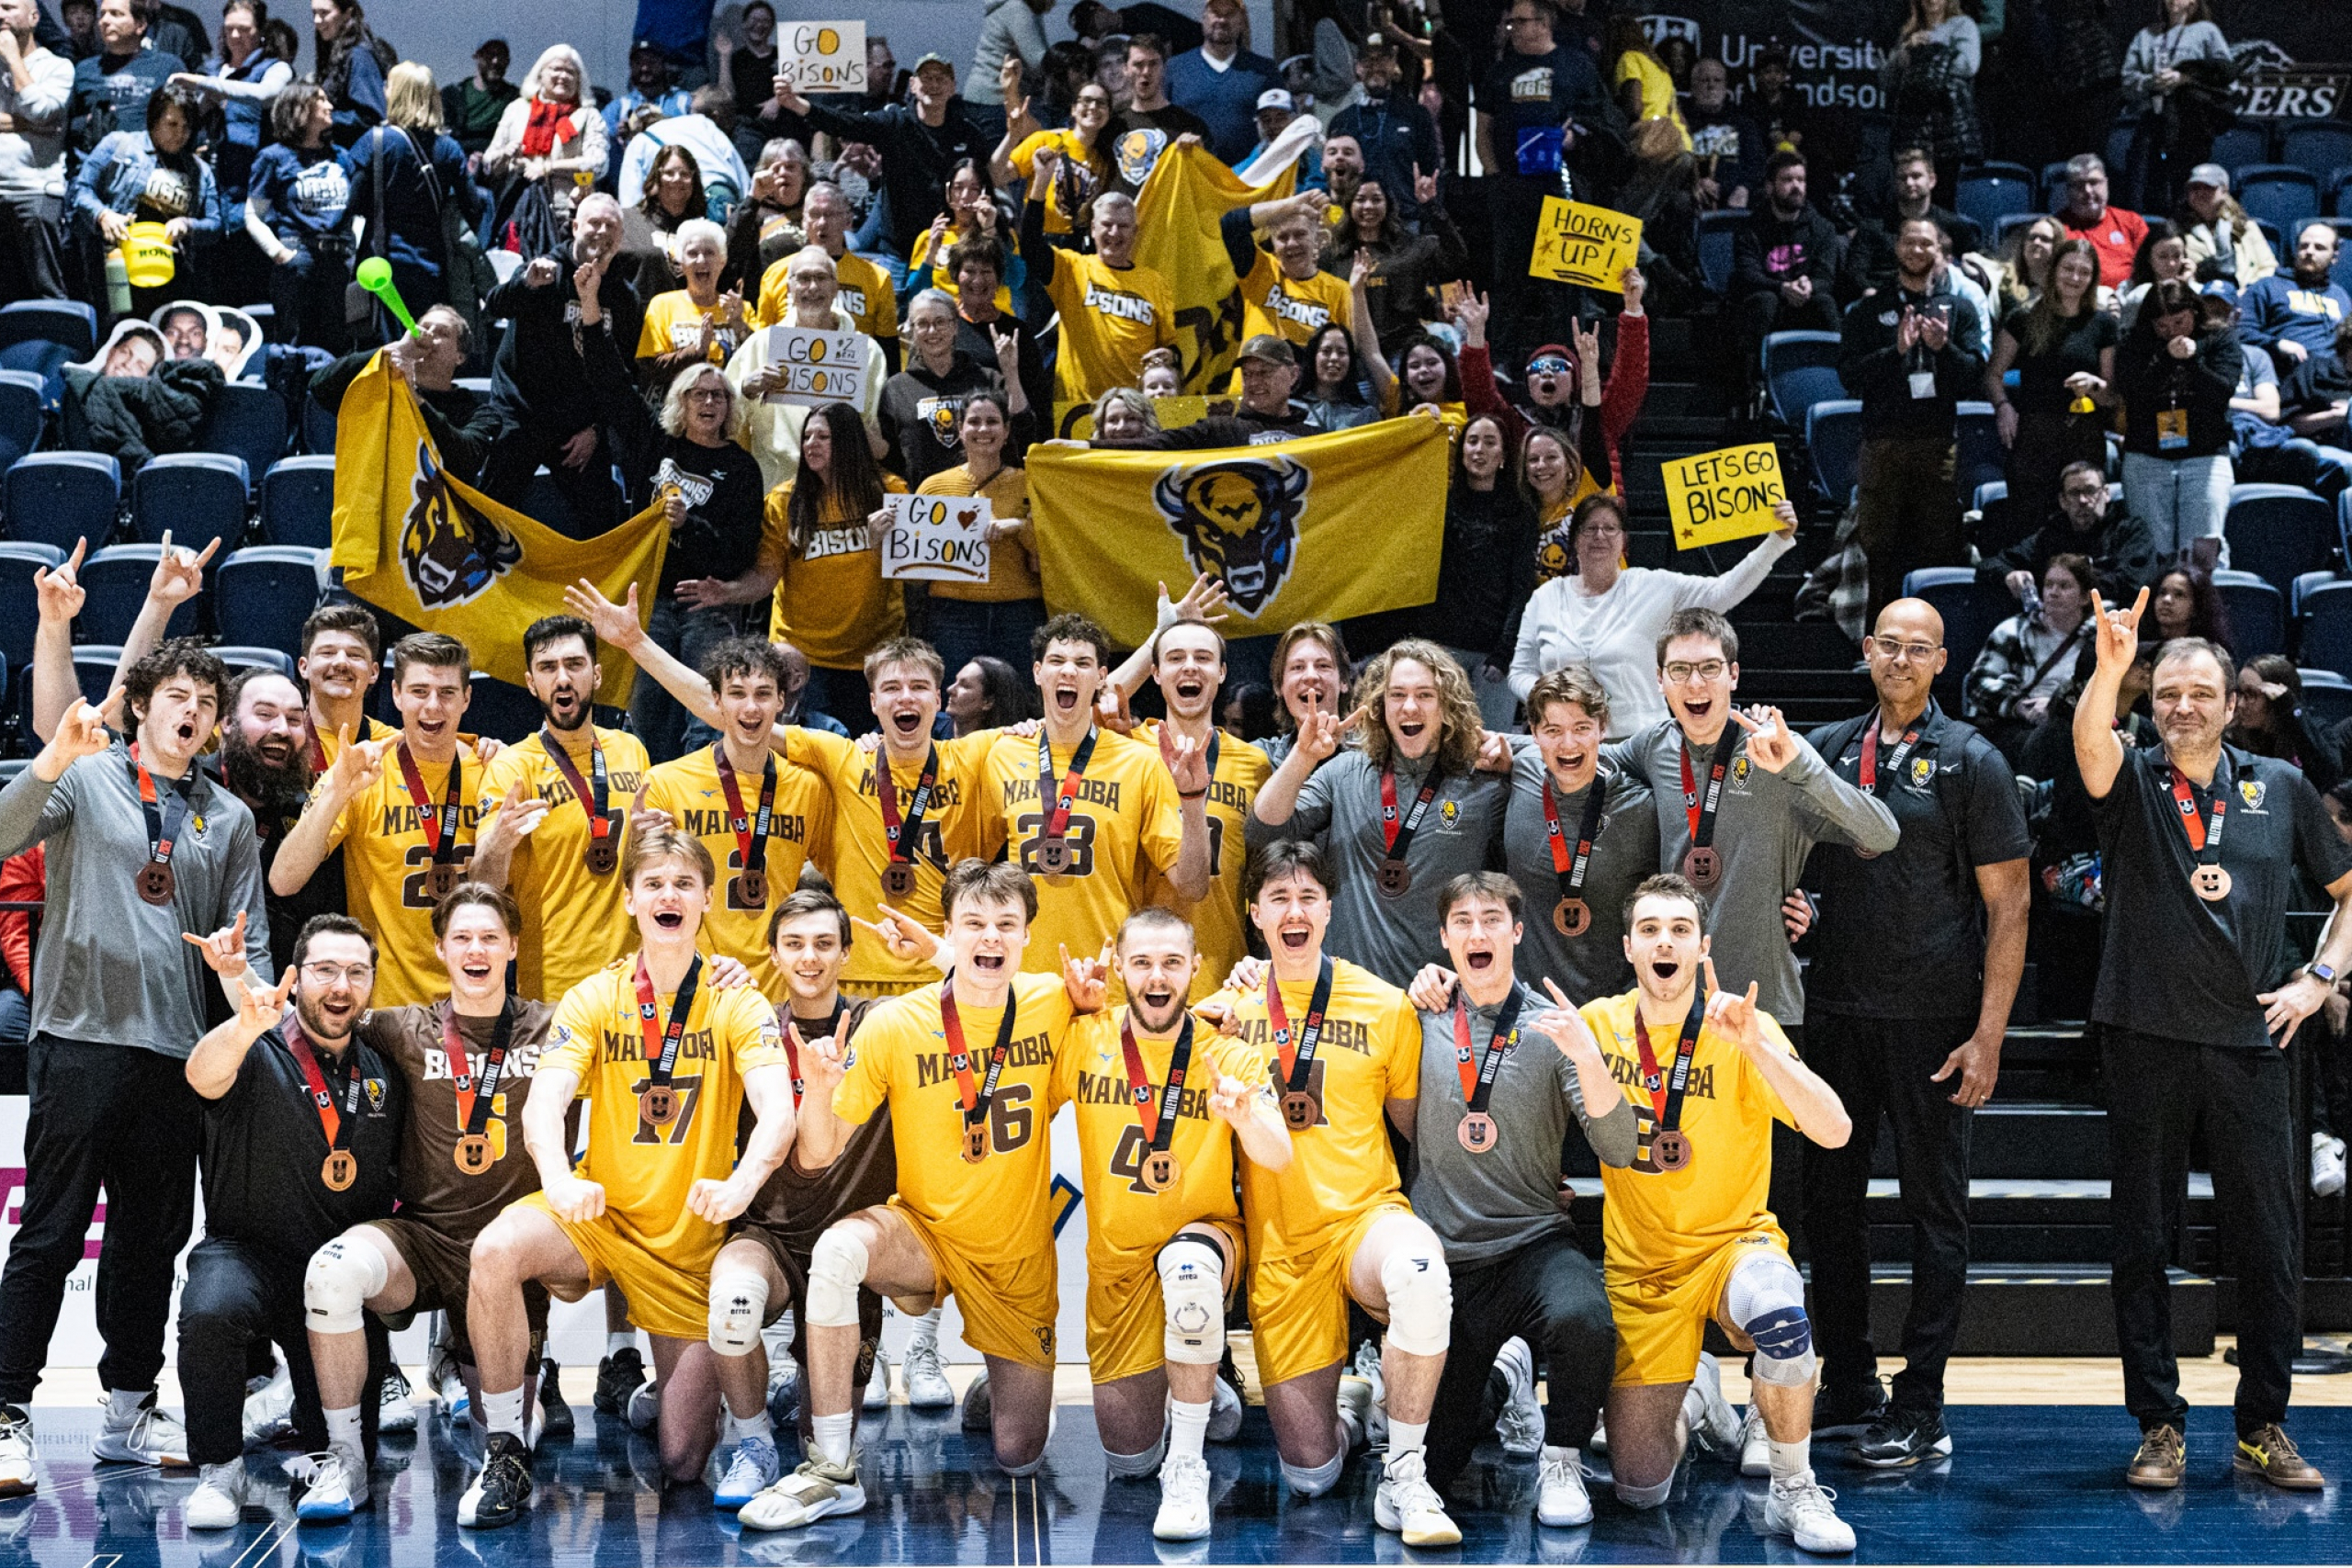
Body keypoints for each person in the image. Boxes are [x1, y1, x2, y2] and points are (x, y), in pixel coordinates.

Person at [2073, 590, 2351, 1492]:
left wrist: (2318, 981)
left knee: (2268, 1240)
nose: (2181, 707)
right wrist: (2112, 668)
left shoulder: (2281, 788)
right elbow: (2088, 741)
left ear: (2234, 704)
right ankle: (2158, 1424)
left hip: (2250, 1043)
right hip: (2144, 1037)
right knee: (2141, 1239)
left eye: (2200, 694)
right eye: (2166, 695)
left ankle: (2262, 1425)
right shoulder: (2133, 782)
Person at [458, 822, 796, 1526]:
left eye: (683, 884)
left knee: (679, 1461)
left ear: (706, 899)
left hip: (689, 1240)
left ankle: (670, 1397)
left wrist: (740, 1185)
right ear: (631, 902)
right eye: (653, 884)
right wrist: (556, 1176)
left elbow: (777, 1110)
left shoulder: (739, 998)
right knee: (494, 1250)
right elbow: (545, 1102)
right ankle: (504, 1446)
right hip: (602, 1216)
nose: (668, 895)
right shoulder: (594, 996)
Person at [0, 639, 271, 1500]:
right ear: (143, 705)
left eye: (204, 701)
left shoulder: (226, 818)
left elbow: (253, 954)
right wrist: (50, 757)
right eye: (175, 695)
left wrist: (236, 971)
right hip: (79, 1036)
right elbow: (3, 833)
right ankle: (8, 1412)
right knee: (49, 1229)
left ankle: (128, 1406)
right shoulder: (85, 777)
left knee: (150, 1240)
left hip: (174, 1054)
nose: (189, 711)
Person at [743, 861, 1080, 1527]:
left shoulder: (1055, 1000)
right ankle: (833, 1467)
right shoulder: (896, 1022)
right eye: (975, 923)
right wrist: (817, 1087)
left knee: (1019, 1452)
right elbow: (816, 1150)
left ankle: (999, 1385)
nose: (991, 937)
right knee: (838, 1250)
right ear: (950, 932)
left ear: (1027, 934)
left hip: (1014, 1259)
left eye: (1006, 924)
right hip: (923, 1233)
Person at [1801, 599, 2032, 1462]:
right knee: (1829, 1207)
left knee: (1936, 1212)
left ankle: (1923, 1399)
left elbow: (2010, 906)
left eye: (1918, 649)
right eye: (1887, 645)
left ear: (1942, 660)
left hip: (1936, 1023)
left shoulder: (1974, 760)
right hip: (1835, 1016)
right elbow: (1803, 869)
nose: (1900, 659)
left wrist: (1990, 1035)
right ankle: (1850, 1376)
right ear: (1866, 651)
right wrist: (1802, 911)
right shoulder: (1825, 750)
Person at [1180, 839, 1458, 1543]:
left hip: (1366, 1217)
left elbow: (1416, 1129)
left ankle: (1407, 1473)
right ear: (1254, 914)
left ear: (1330, 908)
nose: (1295, 910)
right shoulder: (1224, 1009)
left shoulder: (1385, 1003)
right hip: (1282, 1245)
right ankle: (1355, 1401)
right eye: (1279, 897)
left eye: (1308, 896)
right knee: (1310, 1471)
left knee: (1419, 1272)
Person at [1580, 875, 1857, 1551]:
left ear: (1702, 944)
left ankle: (1795, 1485)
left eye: (1679, 928)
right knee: (1639, 1485)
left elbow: (1836, 1129)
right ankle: (1699, 1395)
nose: (1665, 941)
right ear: (1629, 947)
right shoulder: (1598, 1025)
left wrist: (1757, 1046)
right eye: (1650, 929)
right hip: (1643, 1270)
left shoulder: (1743, 1025)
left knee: (1781, 1311)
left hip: (1734, 1248)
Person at [281, 885, 552, 1517]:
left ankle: (489, 1407)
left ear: (513, 945)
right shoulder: (402, 1027)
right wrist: (251, 990)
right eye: (462, 937)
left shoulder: (558, 1022)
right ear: (440, 949)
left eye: (490, 937)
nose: (476, 949)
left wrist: (722, 972)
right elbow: (322, 1013)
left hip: (514, 1253)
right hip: (425, 1241)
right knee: (331, 1272)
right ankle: (345, 1459)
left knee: (516, 1431)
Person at [1391, 872, 1633, 1520]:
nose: (1478, 931)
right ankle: (1505, 1376)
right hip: (1447, 1261)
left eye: (1492, 918)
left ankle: (1561, 1460)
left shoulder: (1555, 1029)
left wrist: (1587, 1055)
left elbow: (1619, 1145)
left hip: (1531, 1242)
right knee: (1439, 1461)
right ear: (1443, 938)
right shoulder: (1414, 1017)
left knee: (1586, 1319)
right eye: (1462, 920)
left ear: (1518, 932)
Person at [1049, 907, 1288, 1537]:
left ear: (1194, 969)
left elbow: (1279, 1153)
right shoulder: (1083, 1037)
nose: (1158, 976)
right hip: (1118, 1267)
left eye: (1173, 962)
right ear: (1121, 966)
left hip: (1204, 1237)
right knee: (1129, 1461)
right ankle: (1200, 1385)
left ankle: (1187, 1467)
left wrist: (1244, 1117)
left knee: (1189, 1270)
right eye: (1144, 962)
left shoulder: (1228, 1050)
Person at [173, 913, 399, 1529]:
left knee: (353, 1452)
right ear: (296, 979)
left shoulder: (382, 1068)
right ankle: (220, 1470)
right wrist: (243, 1026)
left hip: (332, 1277)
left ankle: (322, 1447)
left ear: (372, 983)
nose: (341, 985)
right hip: (242, 1251)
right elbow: (201, 1074)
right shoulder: (258, 1042)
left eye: (356, 972)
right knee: (210, 1309)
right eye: (325, 969)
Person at [700, 886, 902, 1506]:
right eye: (794, 944)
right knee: (733, 1303)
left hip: (852, 1240)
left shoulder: (884, 1023)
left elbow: (976, 996)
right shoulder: (747, 1022)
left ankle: (811, 1383)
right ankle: (754, 1440)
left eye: (823, 943)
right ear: (774, 954)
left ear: (846, 952)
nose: (809, 957)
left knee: (824, 1439)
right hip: (772, 1233)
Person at [1618, 607, 1899, 1050]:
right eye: (1680, 670)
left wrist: (1803, 767)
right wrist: (1508, 751)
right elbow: (1578, 759)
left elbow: (1884, 833)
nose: (1695, 684)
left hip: (1765, 1009)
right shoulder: (1655, 745)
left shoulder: (1778, 752)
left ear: (1733, 674)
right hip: (1674, 1008)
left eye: (1710, 668)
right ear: (1660, 679)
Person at [1249, 641, 1505, 986]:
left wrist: (1513, 756)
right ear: (1379, 707)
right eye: (1397, 695)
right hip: (1352, 1001)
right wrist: (1302, 757)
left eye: (1425, 695)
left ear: (1447, 707)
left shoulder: (1484, 784)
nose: (1409, 707)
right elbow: (1261, 830)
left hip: (1441, 996)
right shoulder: (1344, 772)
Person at [974, 615, 1213, 969]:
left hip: (1108, 979)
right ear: (1038, 672)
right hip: (1020, 980)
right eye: (1057, 661)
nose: (1068, 671)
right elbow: (973, 871)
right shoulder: (1002, 756)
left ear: (1102, 677)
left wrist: (1192, 801)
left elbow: (1192, 886)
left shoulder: (1139, 762)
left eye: (1083, 663)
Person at [266, 633, 488, 1008]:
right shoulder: (361, 770)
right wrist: (337, 790)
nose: (433, 706)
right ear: (397, 694)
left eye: (447, 693)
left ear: (466, 698)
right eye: (419, 691)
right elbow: (284, 880)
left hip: (477, 1009)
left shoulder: (493, 769)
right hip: (386, 1014)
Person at [471, 615, 656, 1003]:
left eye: (574, 664)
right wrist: (500, 842)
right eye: (547, 668)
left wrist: (647, 839)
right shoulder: (513, 768)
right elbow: (482, 886)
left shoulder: (631, 750)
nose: (563, 679)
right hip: (552, 991)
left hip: (636, 983)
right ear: (530, 682)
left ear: (598, 674)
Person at [1510, 493, 1796, 741]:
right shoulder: (1544, 598)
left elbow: (1723, 591)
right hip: (1566, 743)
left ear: (1624, 539)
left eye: (1610, 528)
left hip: (1643, 742)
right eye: (1589, 528)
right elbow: (1519, 671)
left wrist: (1775, 542)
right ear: (1574, 540)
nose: (1599, 535)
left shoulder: (1653, 586)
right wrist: (1548, 696)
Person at [638, 639, 831, 993]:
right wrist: (639, 844)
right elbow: (646, 892)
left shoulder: (809, 788)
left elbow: (836, 871)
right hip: (697, 983)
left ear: (781, 701)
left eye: (763, 693)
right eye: (737, 693)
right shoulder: (667, 782)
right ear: (716, 700)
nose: (751, 707)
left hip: (781, 986)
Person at [1099, 608, 1274, 998]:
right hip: (1138, 975)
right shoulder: (1124, 749)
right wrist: (1156, 634)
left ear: (1223, 672)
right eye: (1175, 658)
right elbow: (1085, 702)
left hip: (1225, 975)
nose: (1190, 668)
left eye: (1203, 658)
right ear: (1156, 673)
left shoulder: (1254, 764)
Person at [1839, 215, 1988, 626]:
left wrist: (1944, 349)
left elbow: (1974, 377)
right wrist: (1896, 352)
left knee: (1937, 545)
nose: (1917, 250)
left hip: (1937, 444)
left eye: (1927, 244)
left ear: (1940, 252)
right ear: (1897, 247)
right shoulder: (1869, 310)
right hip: (1882, 442)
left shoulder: (1960, 311)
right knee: (1879, 547)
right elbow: (1849, 376)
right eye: (1910, 242)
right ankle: (1873, 640)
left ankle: (1930, 638)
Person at [624, 363, 770, 761]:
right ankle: (643, 802)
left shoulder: (742, 468)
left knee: (708, 714)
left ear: (729, 407)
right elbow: (614, 386)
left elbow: (740, 551)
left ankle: (705, 802)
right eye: (698, 393)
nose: (709, 402)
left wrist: (690, 525)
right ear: (680, 401)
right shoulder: (656, 446)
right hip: (653, 601)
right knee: (645, 711)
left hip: (710, 607)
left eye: (718, 395)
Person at [476, 194, 642, 531]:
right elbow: (492, 307)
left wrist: (597, 428)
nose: (601, 231)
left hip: (578, 425)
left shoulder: (624, 297)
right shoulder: (545, 269)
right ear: (575, 226)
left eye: (611, 225)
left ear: (621, 237)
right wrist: (524, 284)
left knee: (603, 522)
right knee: (488, 512)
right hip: (522, 413)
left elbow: (623, 374)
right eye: (594, 223)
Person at [1493, 665, 1659, 1001]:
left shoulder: (1640, 808)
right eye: (1553, 730)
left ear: (1602, 729)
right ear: (1534, 733)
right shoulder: (1523, 770)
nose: (1568, 744)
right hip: (1526, 1006)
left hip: (1612, 1012)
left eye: (1581, 728)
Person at [1475, 0, 1614, 361]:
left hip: (1563, 186)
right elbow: (1483, 130)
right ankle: (1504, 359)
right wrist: (1493, 178)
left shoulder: (1576, 65)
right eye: (1510, 23)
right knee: (1509, 279)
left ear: (1543, 23)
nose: (1512, 29)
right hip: (1512, 188)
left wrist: (1576, 138)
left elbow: (1604, 121)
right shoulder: (1500, 72)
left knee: (1562, 281)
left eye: (1519, 22)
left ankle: (1562, 356)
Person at [768, 51, 987, 263]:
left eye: (941, 78)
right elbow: (847, 123)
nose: (934, 84)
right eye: (927, 78)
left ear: (953, 87)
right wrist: (798, 105)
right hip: (899, 252)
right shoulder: (895, 122)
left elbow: (991, 175)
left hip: (949, 249)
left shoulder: (966, 131)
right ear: (913, 85)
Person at [1023, 155, 1176, 407]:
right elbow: (1030, 246)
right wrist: (1041, 182)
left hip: (1137, 411)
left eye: (1123, 226)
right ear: (1093, 229)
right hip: (1079, 409)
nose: (1114, 233)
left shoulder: (1155, 282)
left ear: (1135, 232)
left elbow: (1171, 346)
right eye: (1107, 225)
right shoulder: (1071, 268)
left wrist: (1170, 355)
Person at [1986, 237, 2117, 522]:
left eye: (2084, 272)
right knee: (2032, 520)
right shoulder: (2024, 318)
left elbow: (2111, 394)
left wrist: (2094, 386)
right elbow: (1994, 375)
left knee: (2081, 522)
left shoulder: (2103, 324)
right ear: (2054, 270)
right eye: (2068, 269)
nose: (2075, 278)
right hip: (2035, 437)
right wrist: (2003, 407)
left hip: (2083, 435)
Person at [344, 62, 481, 325]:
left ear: (398, 94)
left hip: (384, 263)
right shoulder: (450, 148)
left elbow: (353, 201)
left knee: (390, 350)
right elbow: (473, 206)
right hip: (433, 262)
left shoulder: (376, 140)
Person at [70, 82, 219, 318]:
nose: (179, 133)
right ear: (154, 120)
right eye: (171, 124)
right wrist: (103, 214)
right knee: (118, 332)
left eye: (186, 126)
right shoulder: (118, 145)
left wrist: (187, 226)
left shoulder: (198, 170)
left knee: (165, 336)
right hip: (116, 265)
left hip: (170, 272)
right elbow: (81, 188)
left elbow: (214, 224)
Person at [1427, 412, 1537, 727]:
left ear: (1503, 456)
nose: (1479, 450)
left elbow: (1521, 588)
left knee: (1491, 752)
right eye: (1472, 441)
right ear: (1460, 452)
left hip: (1494, 655)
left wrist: (1504, 652)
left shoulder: (1521, 511)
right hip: (1442, 648)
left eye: (1490, 443)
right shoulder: (1440, 504)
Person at [2118, 279, 2238, 563]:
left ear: (2194, 313)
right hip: (2148, 456)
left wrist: (2194, 361)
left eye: (2179, 322)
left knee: (2201, 554)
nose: (2171, 331)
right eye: (2162, 325)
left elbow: (2222, 391)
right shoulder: (2135, 343)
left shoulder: (2219, 339)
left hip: (2205, 455)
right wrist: (2164, 359)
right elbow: (2132, 393)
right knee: (2152, 552)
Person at [245, 82, 353, 352]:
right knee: (293, 347)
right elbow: (253, 215)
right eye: (321, 100)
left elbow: (357, 211)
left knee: (338, 346)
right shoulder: (274, 158)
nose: (330, 106)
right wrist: (280, 254)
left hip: (339, 262)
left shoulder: (342, 157)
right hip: (298, 259)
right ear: (299, 108)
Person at [880, 288, 1018, 486]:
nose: (932, 331)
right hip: (922, 503)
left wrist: (1010, 372)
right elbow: (889, 456)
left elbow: (1021, 430)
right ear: (911, 329)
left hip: (984, 498)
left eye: (940, 322)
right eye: (922, 324)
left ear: (955, 327)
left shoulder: (988, 379)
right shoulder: (896, 388)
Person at [1967, 555, 2098, 759]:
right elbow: (1976, 685)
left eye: (2064, 586)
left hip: (2070, 726)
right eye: (2048, 585)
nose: (2053, 592)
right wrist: (2018, 706)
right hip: (2013, 724)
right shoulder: (2014, 630)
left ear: (2085, 598)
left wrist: (2058, 708)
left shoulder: (2097, 641)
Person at [1333, 176, 1467, 361]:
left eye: (1377, 199)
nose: (1369, 206)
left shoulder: (1410, 246)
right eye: (1360, 199)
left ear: (1388, 204)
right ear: (1348, 205)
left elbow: (1455, 255)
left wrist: (1431, 205)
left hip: (1404, 351)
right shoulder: (1334, 254)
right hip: (1353, 355)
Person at [2121, 0, 2232, 213]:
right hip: (2153, 120)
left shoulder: (2206, 31)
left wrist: (2185, 78)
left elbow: (2224, 73)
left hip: (2191, 124)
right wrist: (2151, 82)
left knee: (2185, 189)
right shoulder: (2146, 36)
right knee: (2143, 187)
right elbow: (2127, 80)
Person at [481, 44, 606, 227]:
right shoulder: (517, 109)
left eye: (570, 72)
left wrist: (548, 168)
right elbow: (488, 164)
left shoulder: (588, 115)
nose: (563, 76)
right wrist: (505, 154)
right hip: (517, 212)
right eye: (556, 69)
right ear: (540, 74)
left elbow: (598, 165)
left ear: (579, 80)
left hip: (567, 215)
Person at [1731, 152, 1839, 363]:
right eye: (1787, 180)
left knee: (1824, 302)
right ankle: (1755, 380)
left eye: (1801, 180)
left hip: (1804, 300)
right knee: (1765, 301)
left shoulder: (1823, 227)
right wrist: (1782, 288)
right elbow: (1748, 275)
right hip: (1768, 300)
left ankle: (1839, 374)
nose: (1796, 186)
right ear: (1770, 186)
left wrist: (1809, 286)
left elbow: (1826, 276)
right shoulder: (1750, 228)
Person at [0, 0, 74, 300]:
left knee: (47, 293)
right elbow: (39, 122)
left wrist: (13, 59)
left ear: (33, 18)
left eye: (7, 7)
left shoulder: (57, 66)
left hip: (35, 193)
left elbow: (42, 111)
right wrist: (28, 125)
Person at [634, 217, 750, 393]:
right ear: (680, 263)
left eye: (710, 253)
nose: (701, 260)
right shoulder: (662, 305)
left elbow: (761, 362)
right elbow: (650, 368)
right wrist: (697, 351)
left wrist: (739, 325)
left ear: (722, 261)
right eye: (692, 253)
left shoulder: (740, 309)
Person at [1323, 37, 1433, 218]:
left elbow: (1431, 170)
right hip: (1356, 220)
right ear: (1358, 67)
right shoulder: (1342, 121)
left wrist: (1427, 213)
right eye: (1368, 60)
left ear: (1393, 64)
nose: (1375, 66)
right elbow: (1332, 175)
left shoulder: (1416, 115)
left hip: (1405, 220)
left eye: (1382, 59)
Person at [994, 73, 1114, 242]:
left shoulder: (1106, 159)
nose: (1093, 107)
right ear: (1073, 109)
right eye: (1086, 101)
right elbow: (997, 176)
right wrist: (1012, 137)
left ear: (1109, 113)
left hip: (1082, 246)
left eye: (1101, 103)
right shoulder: (1045, 140)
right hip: (1042, 240)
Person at [1883, 0, 1979, 196]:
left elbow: (1968, 65)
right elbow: (1887, 79)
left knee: (1945, 194)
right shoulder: (1910, 31)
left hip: (1947, 128)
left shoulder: (1962, 25)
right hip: (1913, 130)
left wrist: (1927, 53)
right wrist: (1906, 50)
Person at [1165, 0, 1278, 164]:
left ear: (1242, 21)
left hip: (1247, 179)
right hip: (1190, 176)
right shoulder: (1174, 68)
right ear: (1203, 18)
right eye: (1216, 13)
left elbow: (1282, 125)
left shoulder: (1264, 70)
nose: (1222, 20)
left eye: (1230, 14)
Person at [2238, 220, 2350, 372]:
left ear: (2334, 257)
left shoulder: (2340, 296)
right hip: (2289, 369)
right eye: (2304, 246)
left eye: (2319, 247)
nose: (2309, 251)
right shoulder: (2267, 287)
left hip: (2333, 372)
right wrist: (2278, 344)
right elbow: (2242, 331)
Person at [66, 0, 171, 152]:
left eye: (116, 14)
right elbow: (67, 124)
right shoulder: (85, 69)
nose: (105, 21)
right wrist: (88, 123)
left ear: (140, 25)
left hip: (150, 164)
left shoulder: (166, 66)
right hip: (97, 165)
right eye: (102, 15)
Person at [2227, 655, 2342, 793]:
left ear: (2276, 698)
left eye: (2251, 695)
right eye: (2239, 693)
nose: (2240, 704)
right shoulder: (2232, 738)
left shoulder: (2317, 730)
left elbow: (2329, 776)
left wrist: (2290, 709)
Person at [2178, 163, 2277, 293]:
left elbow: (2268, 267)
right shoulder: (2178, 229)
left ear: (2224, 190)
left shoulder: (2246, 227)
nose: (2201, 193)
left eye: (2209, 187)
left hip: (2246, 298)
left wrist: (2248, 292)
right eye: (2195, 188)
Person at [2056, 154, 2149, 292]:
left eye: (2094, 182)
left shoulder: (2132, 222)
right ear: (2068, 190)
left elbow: (2150, 266)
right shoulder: (2056, 227)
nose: (2088, 191)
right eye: (2079, 185)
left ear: (2106, 184)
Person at [1685, 55, 1760, 210]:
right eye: (1704, 80)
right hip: (1692, 197)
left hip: (1734, 196)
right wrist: (1693, 184)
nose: (1711, 85)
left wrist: (1744, 187)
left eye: (1717, 80)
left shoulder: (1743, 123)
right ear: (1692, 87)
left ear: (1725, 87)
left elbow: (1757, 163)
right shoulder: (1681, 121)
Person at [309, 0, 386, 147]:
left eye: (325, 13)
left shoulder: (359, 55)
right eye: (314, 13)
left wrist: (320, 117)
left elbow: (370, 115)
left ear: (347, 13)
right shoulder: (335, 52)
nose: (317, 21)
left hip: (354, 157)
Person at [440, 37, 514, 161]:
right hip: (459, 158)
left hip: (499, 160)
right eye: (490, 55)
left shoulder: (514, 99)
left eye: (501, 56)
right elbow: (444, 134)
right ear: (477, 57)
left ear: (507, 61)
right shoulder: (454, 94)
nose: (495, 61)